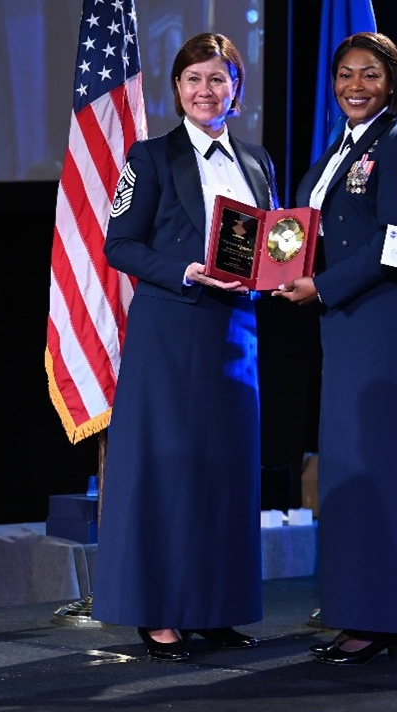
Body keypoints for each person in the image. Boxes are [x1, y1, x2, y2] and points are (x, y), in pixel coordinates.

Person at [95, 32, 273, 662]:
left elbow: (270, 243)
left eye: (217, 79)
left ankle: (216, 609)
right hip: (171, 333)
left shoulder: (258, 162)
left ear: (236, 89)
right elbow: (118, 244)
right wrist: (185, 269)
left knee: (225, 476)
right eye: (194, 79)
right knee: (167, 473)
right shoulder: (148, 159)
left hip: (236, 335)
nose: (205, 91)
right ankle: (161, 613)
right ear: (176, 89)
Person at [272, 31, 397, 666]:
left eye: (369, 75)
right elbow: (297, 231)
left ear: (393, 83)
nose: (353, 86)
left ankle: (386, 618)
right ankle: (356, 610)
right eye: (344, 74)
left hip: (387, 323)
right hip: (343, 326)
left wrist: (324, 283)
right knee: (352, 470)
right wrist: (263, 267)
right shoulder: (335, 152)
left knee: (386, 470)